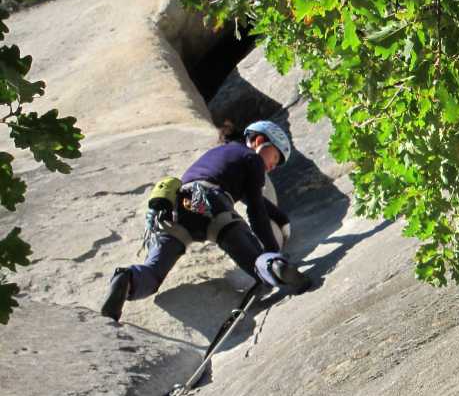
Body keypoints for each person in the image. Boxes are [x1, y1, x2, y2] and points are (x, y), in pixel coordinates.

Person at [100, 120, 310, 321]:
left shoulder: (219, 155)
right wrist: (273, 251)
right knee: (256, 261)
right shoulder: (252, 159)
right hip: (210, 205)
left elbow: (256, 200)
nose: (272, 166)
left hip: (180, 207)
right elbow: (255, 209)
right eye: (275, 157)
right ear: (258, 140)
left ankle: (127, 279)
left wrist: (281, 219)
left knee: (154, 270)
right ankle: (276, 268)